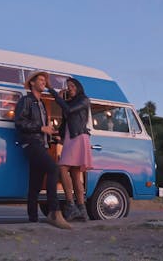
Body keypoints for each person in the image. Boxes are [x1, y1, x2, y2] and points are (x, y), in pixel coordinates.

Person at [14, 70, 72, 230]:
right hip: (31, 144)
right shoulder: (26, 101)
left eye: (44, 80)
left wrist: (53, 136)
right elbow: (19, 122)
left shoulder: (42, 105)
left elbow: (43, 129)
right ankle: (54, 212)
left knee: (36, 184)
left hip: (42, 145)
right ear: (32, 83)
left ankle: (32, 219)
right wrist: (41, 128)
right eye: (40, 79)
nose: (43, 82)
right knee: (54, 168)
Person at [48, 78, 92, 221]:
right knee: (74, 174)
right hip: (71, 138)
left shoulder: (84, 99)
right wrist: (59, 135)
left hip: (78, 137)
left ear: (79, 87)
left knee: (62, 168)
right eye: (68, 86)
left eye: (72, 86)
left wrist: (54, 94)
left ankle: (71, 206)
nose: (70, 88)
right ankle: (82, 210)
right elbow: (65, 122)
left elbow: (68, 110)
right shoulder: (70, 103)